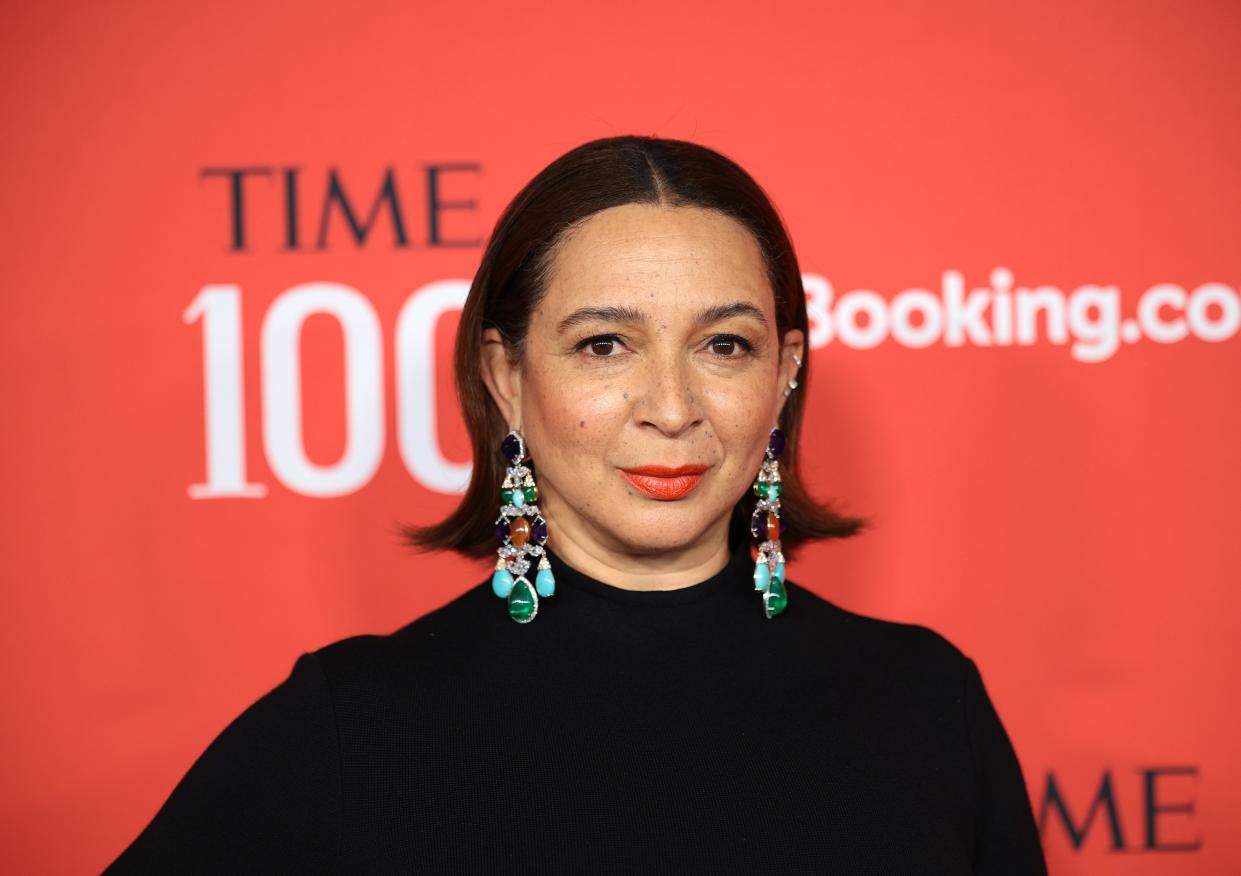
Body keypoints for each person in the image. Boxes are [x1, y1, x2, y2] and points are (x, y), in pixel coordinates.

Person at [105, 136, 1047, 873]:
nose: (672, 410)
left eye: (724, 345)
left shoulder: (926, 703)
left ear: (784, 375)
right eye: (605, 345)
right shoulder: (352, 730)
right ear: (505, 375)